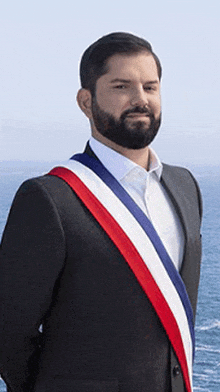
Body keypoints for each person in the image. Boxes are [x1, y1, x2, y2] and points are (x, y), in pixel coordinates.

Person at [0, 32, 202, 392]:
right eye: (122, 86)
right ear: (85, 101)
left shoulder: (185, 187)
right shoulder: (49, 198)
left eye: (151, 87)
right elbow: (8, 333)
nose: (140, 100)